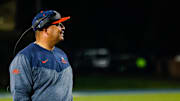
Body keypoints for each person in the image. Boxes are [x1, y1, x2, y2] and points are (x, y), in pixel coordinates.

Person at [9, 10, 73, 101]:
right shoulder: (24, 58)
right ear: (45, 29)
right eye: (58, 24)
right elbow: (20, 95)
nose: (63, 27)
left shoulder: (62, 54)